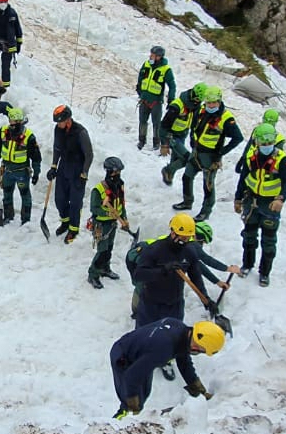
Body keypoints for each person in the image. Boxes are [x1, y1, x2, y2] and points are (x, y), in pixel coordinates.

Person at [111, 319, 223, 418]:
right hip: (123, 356)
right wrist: (132, 404)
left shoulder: (181, 329)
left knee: (144, 393)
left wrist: (198, 390)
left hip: (141, 351)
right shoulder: (163, 350)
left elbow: (184, 362)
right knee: (133, 402)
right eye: (202, 351)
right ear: (196, 347)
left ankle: (130, 416)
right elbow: (131, 377)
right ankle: (116, 426)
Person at [232, 115, 286, 287]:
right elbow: (243, 178)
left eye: (269, 143)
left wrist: (280, 198)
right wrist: (238, 199)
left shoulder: (282, 160)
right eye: (263, 143)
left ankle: (265, 272)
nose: (267, 146)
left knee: (268, 241)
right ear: (257, 142)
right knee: (249, 235)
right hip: (251, 201)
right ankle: (247, 264)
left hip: (270, 205)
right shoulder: (251, 157)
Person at [173, 86, 242, 222]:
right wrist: (193, 139)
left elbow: (237, 138)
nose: (211, 105)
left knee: (208, 185)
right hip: (197, 152)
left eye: (214, 102)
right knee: (187, 177)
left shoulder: (226, 118)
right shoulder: (202, 111)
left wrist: (221, 153)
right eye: (208, 102)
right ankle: (187, 201)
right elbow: (194, 126)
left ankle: (206, 211)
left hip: (211, 157)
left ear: (219, 101)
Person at [130, 213, 208, 329]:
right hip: (151, 305)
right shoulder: (154, 250)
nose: (185, 241)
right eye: (182, 237)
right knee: (145, 338)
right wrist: (163, 270)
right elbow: (139, 275)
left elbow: (196, 276)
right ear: (173, 233)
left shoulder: (189, 252)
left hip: (175, 306)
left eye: (188, 238)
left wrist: (206, 299)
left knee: (173, 338)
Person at [48, 104, 93, 244]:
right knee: (59, 199)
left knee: (75, 203)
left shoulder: (80, 132)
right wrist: (54, 166)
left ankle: (73, 229)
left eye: (59, 122)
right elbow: (57, 148)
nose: (58, 125)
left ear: (67, 120)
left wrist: (84, 174)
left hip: (77, 170)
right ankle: (65, 222)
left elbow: (89, 155)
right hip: (63, 167)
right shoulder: (58, 130)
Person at [0, 107, 41, 225]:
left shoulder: (28, 136)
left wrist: (37, 173)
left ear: (20, 122)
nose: (12, 124)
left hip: (21, 171)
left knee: (25, 195)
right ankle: (8, 216)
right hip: (7, 170)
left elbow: (36, 157)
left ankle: (25, 219)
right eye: (11, 121)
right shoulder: (3, 131)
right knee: (7, 194)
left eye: (15, 122)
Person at [86, 157, 130, 289]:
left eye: (119, 173)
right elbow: (94, 208)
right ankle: (93, 274)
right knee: (102, 250)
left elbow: (121, 203)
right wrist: (107, 213)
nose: (117, 175)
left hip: (113, 224)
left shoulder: (119, 186)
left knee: (109, 248)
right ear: (109, 172)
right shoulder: (98, 190)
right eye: (115, 173)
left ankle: (105, 268)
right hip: (101, 225)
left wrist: (124, 218)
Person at [135, 45, 177, 151]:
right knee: (142, 121)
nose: (151, 56)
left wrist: (171, 99)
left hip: (156, 101)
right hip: (144, 99)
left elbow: (172, 85)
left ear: (159, 57)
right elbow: (140, 77)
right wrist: (139, 88)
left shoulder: (166, 69)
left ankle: (156, 142)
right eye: (151, 54)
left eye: (153, 55)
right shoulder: (146, 64)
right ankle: (141, 140)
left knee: (156, 123)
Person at [160, 83, 205, 180]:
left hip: (182, 135)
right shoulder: (177, 106)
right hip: (172, 135)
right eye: (197, 99)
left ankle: (169, 176)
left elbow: (193, 124)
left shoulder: (195, 107)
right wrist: (164, 144)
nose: (198, 102)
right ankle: (168, 170)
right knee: (186, 158)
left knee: (176, 158)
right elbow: (163, 125)